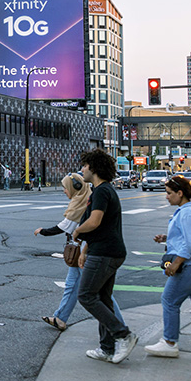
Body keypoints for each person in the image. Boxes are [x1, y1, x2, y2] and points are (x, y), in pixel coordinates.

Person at [34, 173, 125, 331]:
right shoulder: (84, 199)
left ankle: (119, 327)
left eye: (65, 188)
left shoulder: (84, 202)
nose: (64, 191)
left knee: (99, 293)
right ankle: (61, 318)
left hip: (86, 252)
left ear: (75, 187)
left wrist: (43, 231)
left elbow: (65, 226)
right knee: (72, 285)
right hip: (82, 251)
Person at [72, 149, 137, 364]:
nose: (82, 170)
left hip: (105, 253)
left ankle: (123, 335)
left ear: (93, 167)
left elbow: (95, 222)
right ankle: (107, 349)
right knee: (103, 298)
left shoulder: (101, 192)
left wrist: (78, 231)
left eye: (84, 166)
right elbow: (103, 228)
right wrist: (84, 251)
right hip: (107, 250)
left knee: (86, 296)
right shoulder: (104, 190)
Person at [144, 175, 191, 359]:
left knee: (169, 300)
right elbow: (188, 237)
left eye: (169, 193)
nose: (166, 197)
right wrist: (167, 238)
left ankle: (169, 342)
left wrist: (175, 264)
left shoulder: (187, 213)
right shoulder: (188, 212)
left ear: (180, 193)